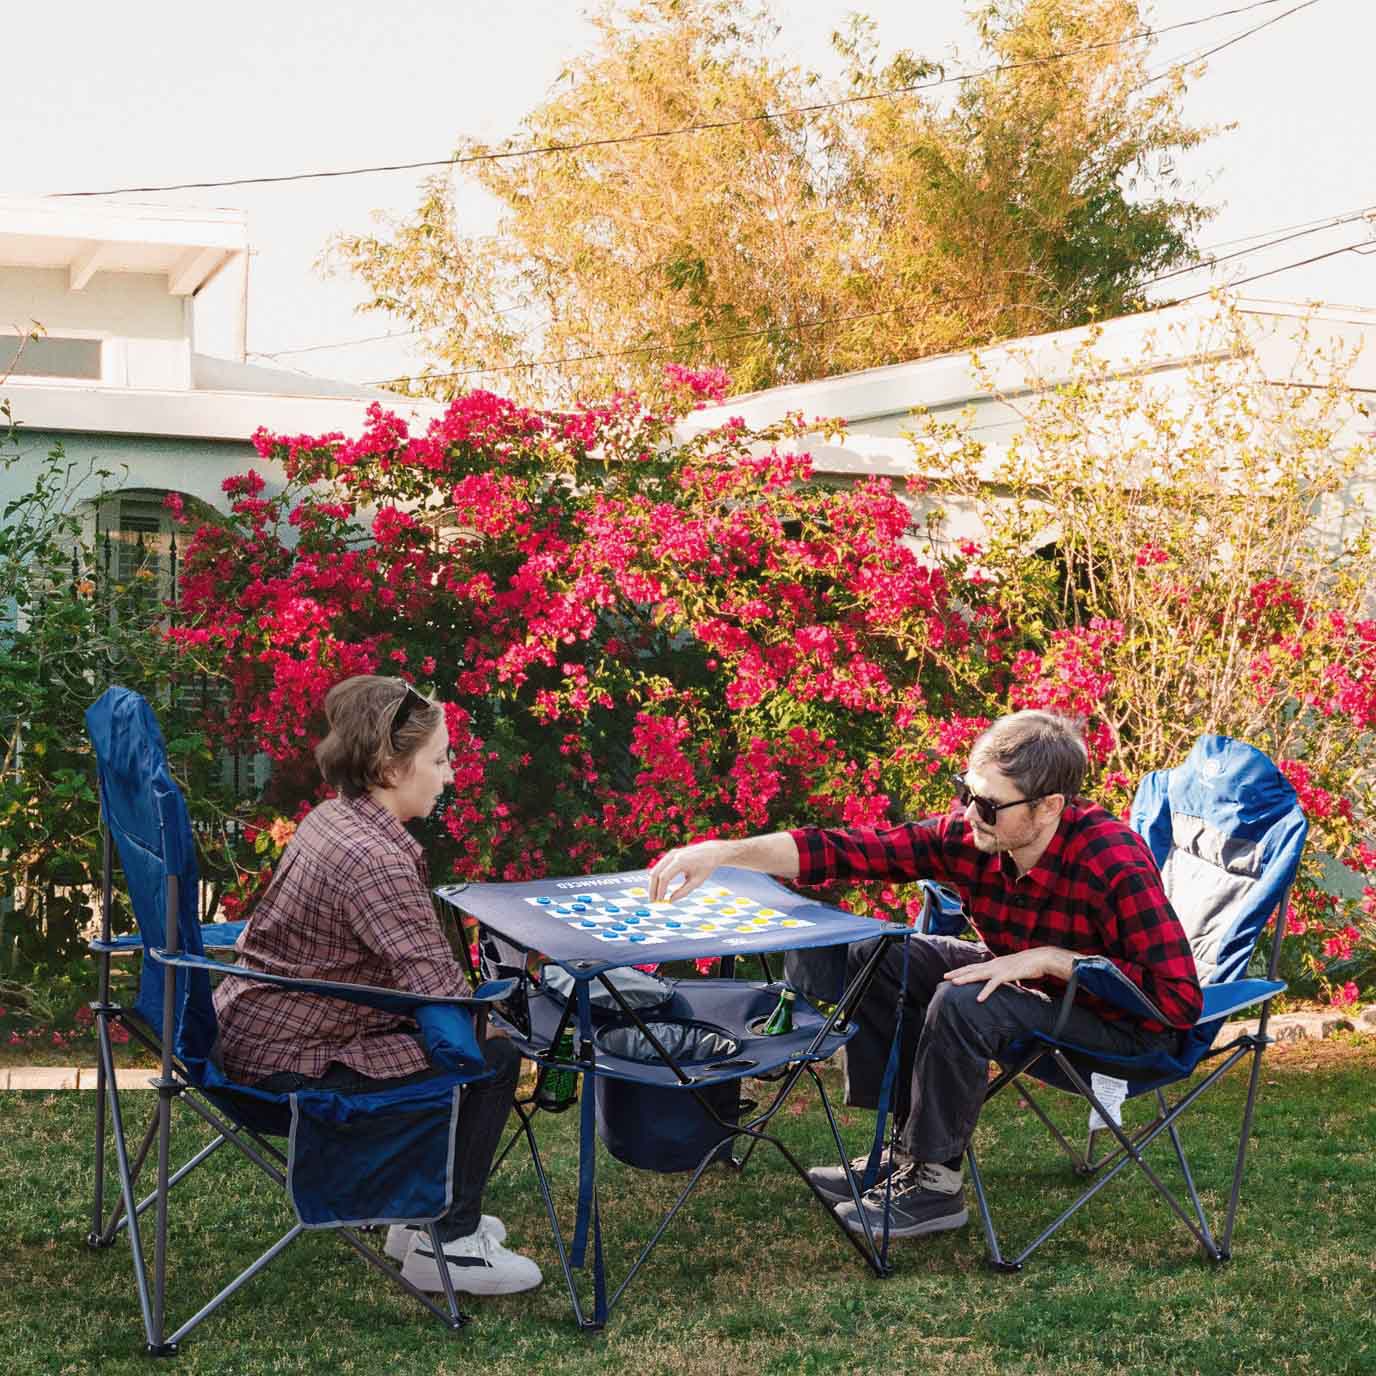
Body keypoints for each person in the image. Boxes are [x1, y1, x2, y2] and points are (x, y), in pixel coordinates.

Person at [648, 710, 1201, 1240]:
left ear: (1050, 805)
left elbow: (1176, 1005)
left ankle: (937, 1184)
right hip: (1030, 991)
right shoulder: (975, 838)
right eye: (966, 792)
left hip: (1122, 1030)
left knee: (964, 999)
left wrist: (1053, 959)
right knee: (878, 952)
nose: (969, 813)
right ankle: (908, 1148)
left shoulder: (1111, 861)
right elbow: (849, 850)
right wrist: (723, 853)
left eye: (987, 805)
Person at [213, 675, 541, 1295]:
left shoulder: (334, 819)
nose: (448, 776)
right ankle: (449, 1244)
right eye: (439, 760)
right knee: (493, 1055)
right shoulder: (377, 860)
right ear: (392, 767)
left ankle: (416, 1214)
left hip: (256, 1025)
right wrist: (510, 1007)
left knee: (445, 1034)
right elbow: (442, 994)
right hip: (290, 1061)